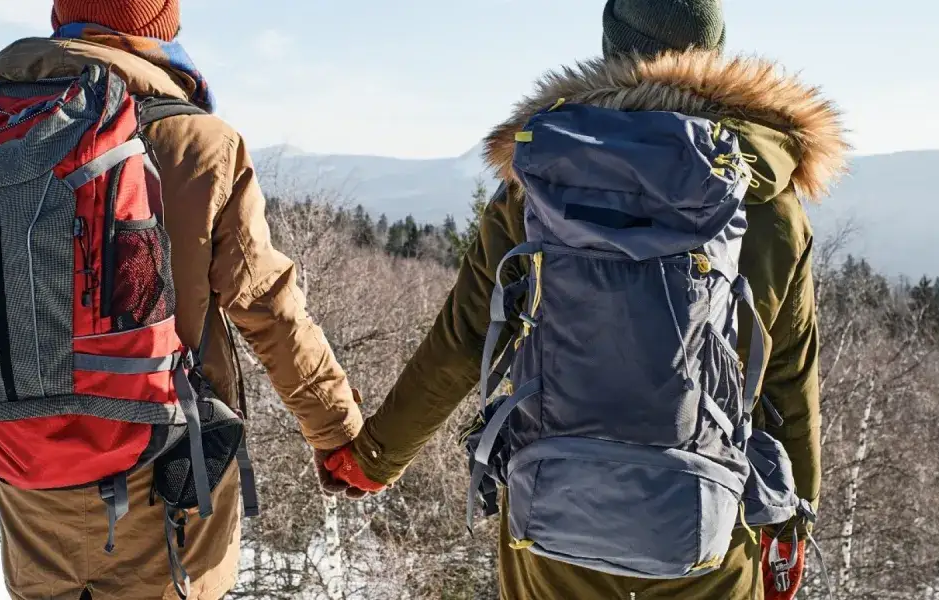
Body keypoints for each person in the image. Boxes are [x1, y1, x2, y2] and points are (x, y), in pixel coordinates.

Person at [323, 0, 848, 598]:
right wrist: (790, 521)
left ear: (611, 49)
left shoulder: (542, 179)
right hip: (707, 521)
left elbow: (467, 337)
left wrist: (376, 457)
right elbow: (787, 376)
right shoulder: (768, 201)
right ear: (714, 51)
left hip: (551, 509)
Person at [0, 2, 365, 598]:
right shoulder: (196, 142)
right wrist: (338, 432)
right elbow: (266, 304)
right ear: (157, 31)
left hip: (24, 464)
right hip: (163, 471)